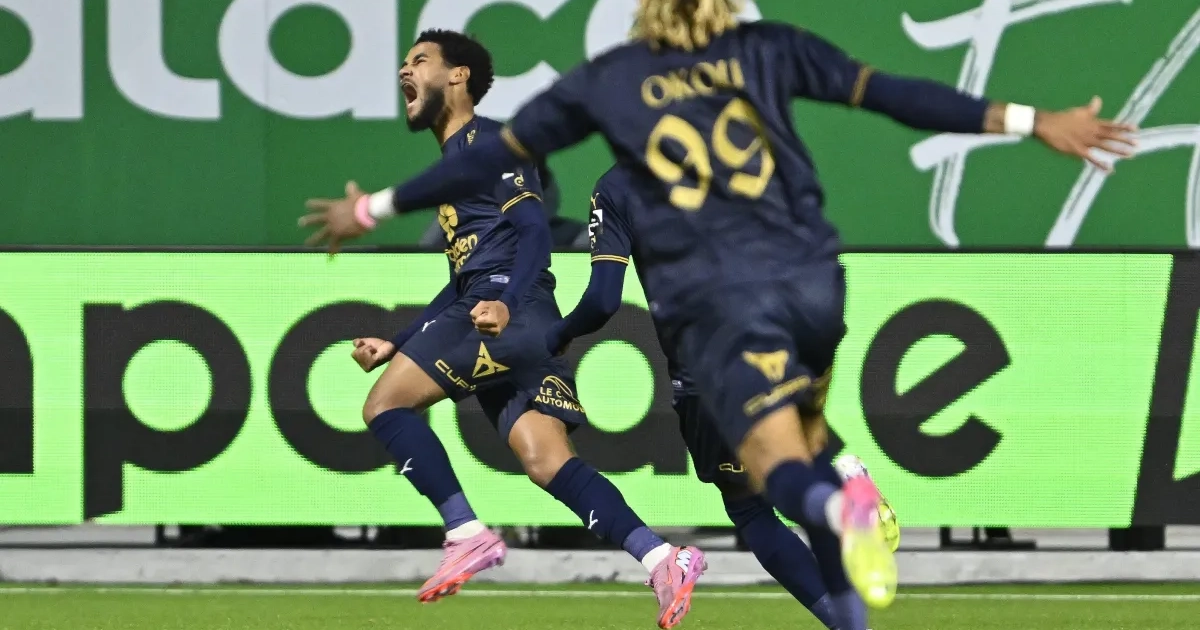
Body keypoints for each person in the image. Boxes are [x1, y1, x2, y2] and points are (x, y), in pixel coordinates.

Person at [300, 1, 1136, 623]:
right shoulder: (769, 53)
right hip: (812, 286)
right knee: (770, 430)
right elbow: (896, 95)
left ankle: (836, 514)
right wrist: (1031, 120)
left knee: (754, 493)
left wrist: (376, 213)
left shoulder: (609, 136)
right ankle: (836, 485)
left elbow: (587, 282)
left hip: (712, 330)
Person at [338, 30, 705, 627]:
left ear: (457, 76)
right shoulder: (455, 164)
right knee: (546, 460)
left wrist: (507, 302)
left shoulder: (492, 145)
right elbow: (460, 283)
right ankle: (662, 557)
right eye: (403, 63)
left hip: (509, 312)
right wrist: (397, 341)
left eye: (420, 61)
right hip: (509, 316)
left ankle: (465, 532)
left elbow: (534, 232)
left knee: (384, 406)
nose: (405, 71)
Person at [550, 164, 904, 629]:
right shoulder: (728, 146)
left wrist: (559, 335)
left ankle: (840, 505)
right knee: (784, 451)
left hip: (708, 362)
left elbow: (602, 300)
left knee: (749, 507)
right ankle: (838, 483)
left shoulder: (617, 186)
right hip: (789, 325)